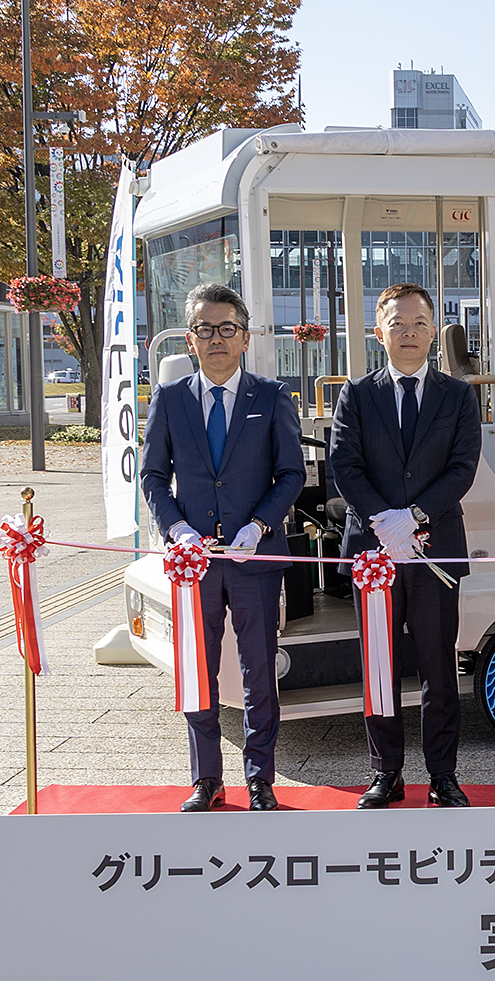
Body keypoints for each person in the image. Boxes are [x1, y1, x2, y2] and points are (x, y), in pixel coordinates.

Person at [139, 281, 303, 813]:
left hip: (255, 560)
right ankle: (205, 779)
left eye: (226, 329)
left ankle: (260, 778)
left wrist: (258, 525)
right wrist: (176, 529)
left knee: (260, 674)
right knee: (198, 672)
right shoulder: (169, 399)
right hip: (196, 565)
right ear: (189, 339)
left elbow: (290, 474)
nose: (216, 339)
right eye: (205, 329)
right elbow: (153, 477)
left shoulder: (272, 397)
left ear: (245, 337)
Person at [329, 283, 483, 809]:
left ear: (434, 331)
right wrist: (383, 521)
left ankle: (443, 774)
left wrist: (412, 517)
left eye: (419, 322)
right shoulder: (357, 393)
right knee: (380, 664)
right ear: (379, 332)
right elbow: (344, 465)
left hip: (435, 547)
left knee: (439, 665)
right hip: (374, 554)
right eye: (398, 323)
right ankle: (385, 772)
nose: (409, 332)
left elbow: (462, 468)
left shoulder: (458, 394)